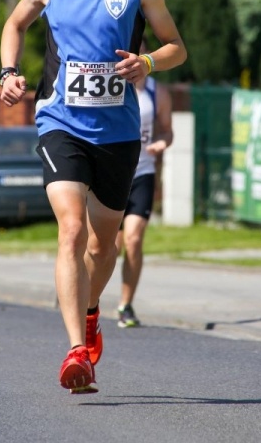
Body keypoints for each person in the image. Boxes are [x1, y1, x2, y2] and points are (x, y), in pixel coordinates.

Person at [0, 0, 187, 394]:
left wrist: (148, 63)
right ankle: (75, 351)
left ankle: (89, 311)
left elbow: (176, 47)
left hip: (119, 133)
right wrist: (9, 72)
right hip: (60, 121)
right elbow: (14, 24)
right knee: (72, 230)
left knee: (105, 245)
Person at [114, 64, 173, 328]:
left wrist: (162, 142)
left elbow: (167, 130)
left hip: (142, 173)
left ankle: (125, 305)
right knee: (106, 247)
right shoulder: (108, 84)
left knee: (134, 239)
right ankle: (87, 298)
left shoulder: (157, 92)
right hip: (112, 175)